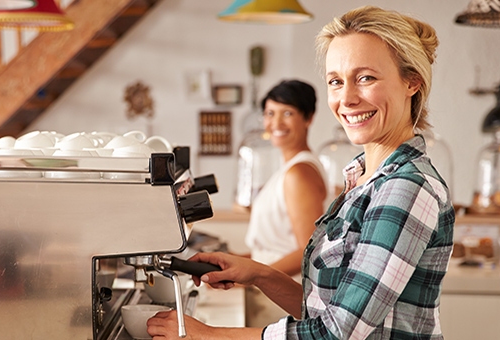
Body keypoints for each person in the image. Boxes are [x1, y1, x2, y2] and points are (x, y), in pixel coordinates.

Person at [147, 5, 454, 340]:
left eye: (366, 78)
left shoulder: (405, 188)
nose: (347, 98)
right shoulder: (364, 179)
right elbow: (326, 312)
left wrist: (209, 335)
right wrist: (259, 274)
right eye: (336, 81)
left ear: (413, 83)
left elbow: (336, 334)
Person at [242, 80, 327, 326]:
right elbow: (277, 244)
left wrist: (251, 276)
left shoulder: (299, 173)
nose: (276, 123)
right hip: (270, 291)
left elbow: (308, 250)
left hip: (282, 297)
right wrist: (237, 260)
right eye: (270, 113)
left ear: (308, 118)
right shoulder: (290, 169)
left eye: (287, 113)